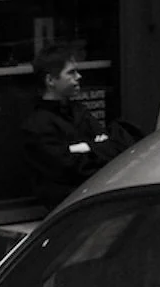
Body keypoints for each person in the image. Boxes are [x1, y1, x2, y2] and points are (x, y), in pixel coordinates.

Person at [22, 44, 136, 209]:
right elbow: (68, 168)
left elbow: (115, 148)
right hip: (72, 207)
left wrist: (85, 149)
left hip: (101, 195)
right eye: (71, 72)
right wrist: (96, 147)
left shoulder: (79, 111)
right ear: (50, 80)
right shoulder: (36, 126)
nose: (79, 76)